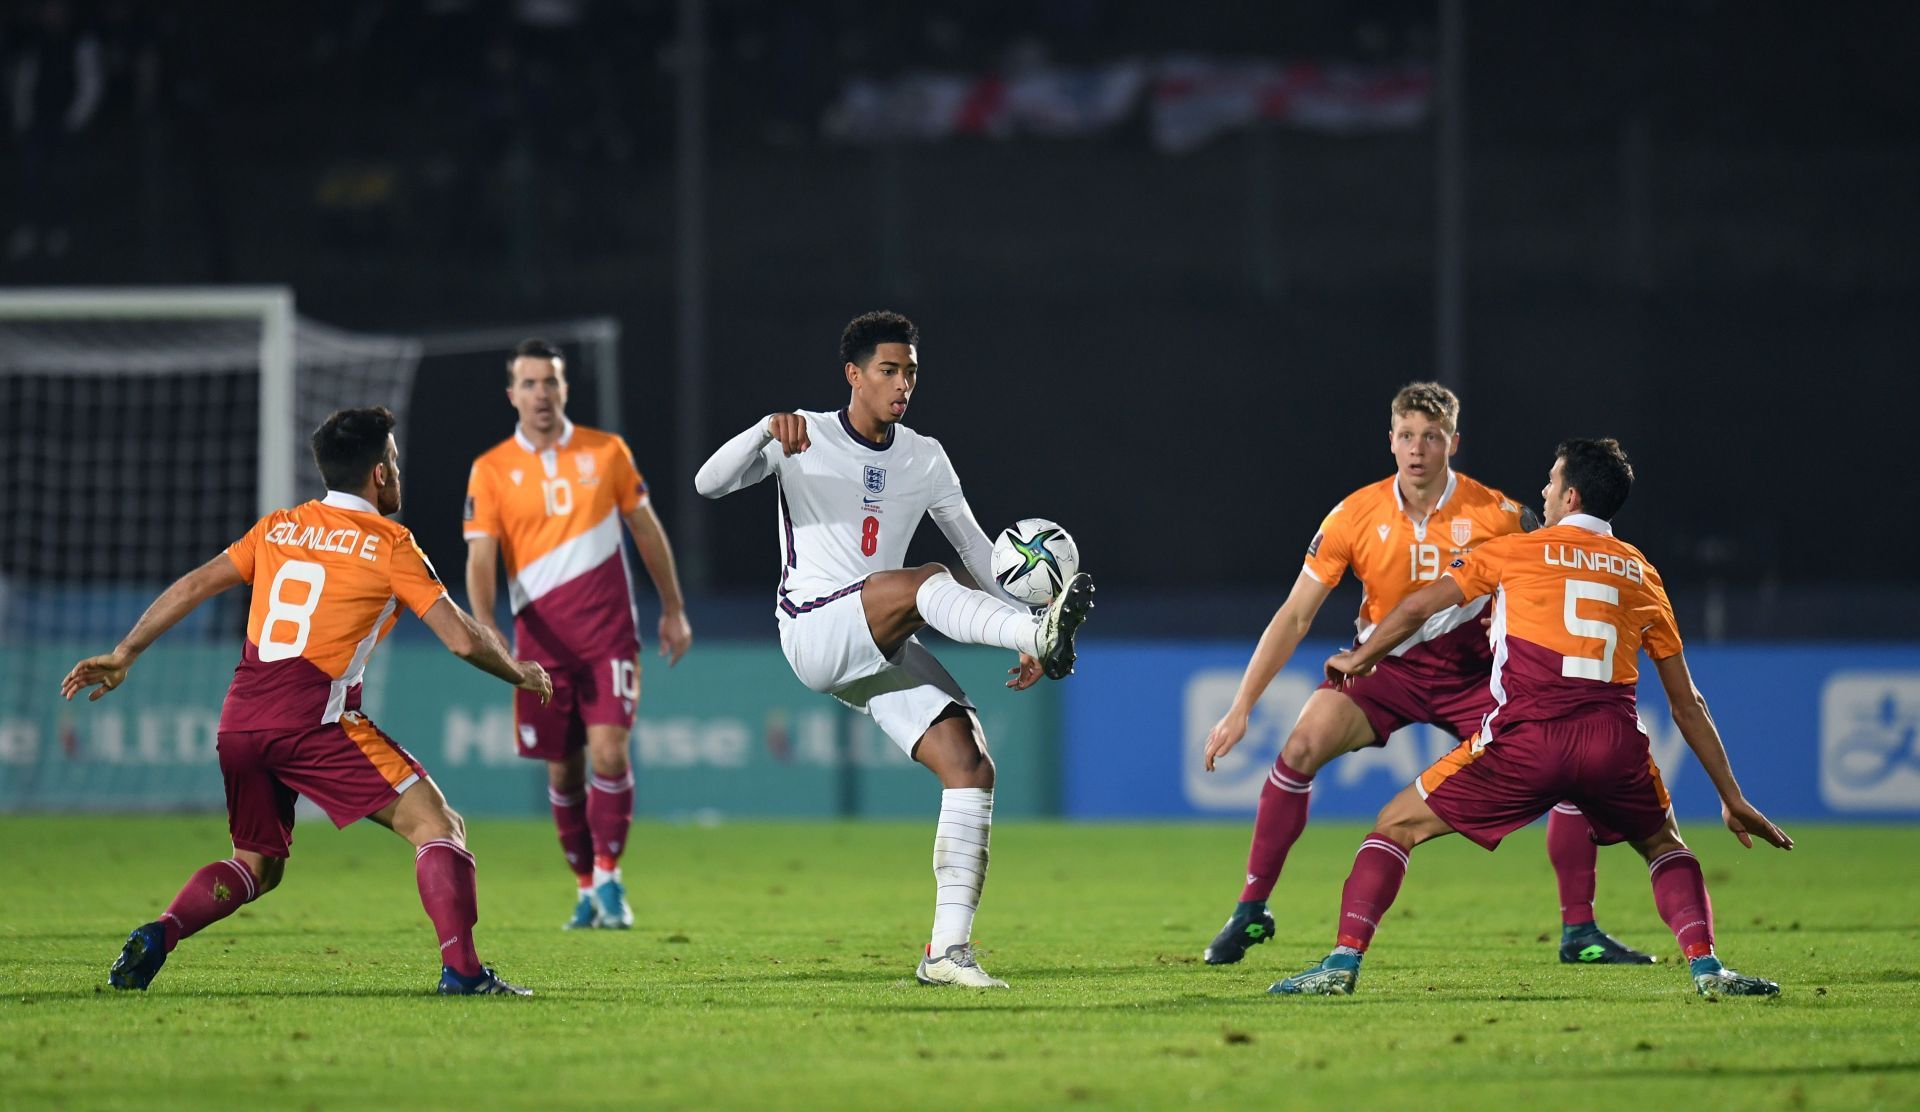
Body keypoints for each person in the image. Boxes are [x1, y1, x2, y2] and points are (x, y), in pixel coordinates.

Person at [1273, 438, 1792, 998]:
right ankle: (1708, 969)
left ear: (1570, 496)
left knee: (1395, 825)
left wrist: (1360, 656)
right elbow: (1687, 702)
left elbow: (1423, 606)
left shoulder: (1514, 550)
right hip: (1612, 746)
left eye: (1550, 482)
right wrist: (1731, 797)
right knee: (1666, 845)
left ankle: (1339, 965)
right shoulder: (1642, 574)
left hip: (1526, 739)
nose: (1541, 492)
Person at [62, 406, 552, 996]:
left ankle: (160, 932)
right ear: (378, 474)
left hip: (239, 722)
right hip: (312, 718)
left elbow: (194, 584)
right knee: (438, 824)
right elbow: (457, 637)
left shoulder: (278, 528)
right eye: (393, 462)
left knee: (255, 866)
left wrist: (125, 651)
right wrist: (517, 672)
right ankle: (465, 973)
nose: (397, 473)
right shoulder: (390, 543)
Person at [694, 310, 1093, 989]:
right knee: (922, 582)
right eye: (888, 370)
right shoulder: (806, 435)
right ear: (853, 375)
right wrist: (765, 428)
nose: (902, 383)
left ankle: (947, 953)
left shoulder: (925, 456)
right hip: (815, 628)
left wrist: (1020, 606)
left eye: (910, 371)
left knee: (970, 763)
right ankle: (1041, 636)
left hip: (880, 641)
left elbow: (980, 554)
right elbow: (709, 483)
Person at [1200, 383, 1654, 966]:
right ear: (1390, 441)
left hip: (1472, 673)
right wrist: (1241, 708)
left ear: (1453, 444)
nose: (1417, 448)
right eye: (1407, 435)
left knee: (1567, 772)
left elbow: (1564, 566)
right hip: (1383, 670)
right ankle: (1251, 908)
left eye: (1431, 437)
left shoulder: (1501, 515)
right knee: (1301, 747)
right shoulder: (1352, 516)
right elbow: (1294, 615)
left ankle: (1579, 931)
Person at [465, 339, 693, 930]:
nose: (542, 393)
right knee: (563, 771)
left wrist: (673, 608)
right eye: (531, 383)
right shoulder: (490, 469)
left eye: (552, 382)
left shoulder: (606, 451)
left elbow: (646, 529)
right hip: (540, 649)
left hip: (609, 637)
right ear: (512, 394)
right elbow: (481, 559)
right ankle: (586, 887)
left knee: (611, 752)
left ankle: (612, 879)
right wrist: (486, 627)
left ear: (565, 389)